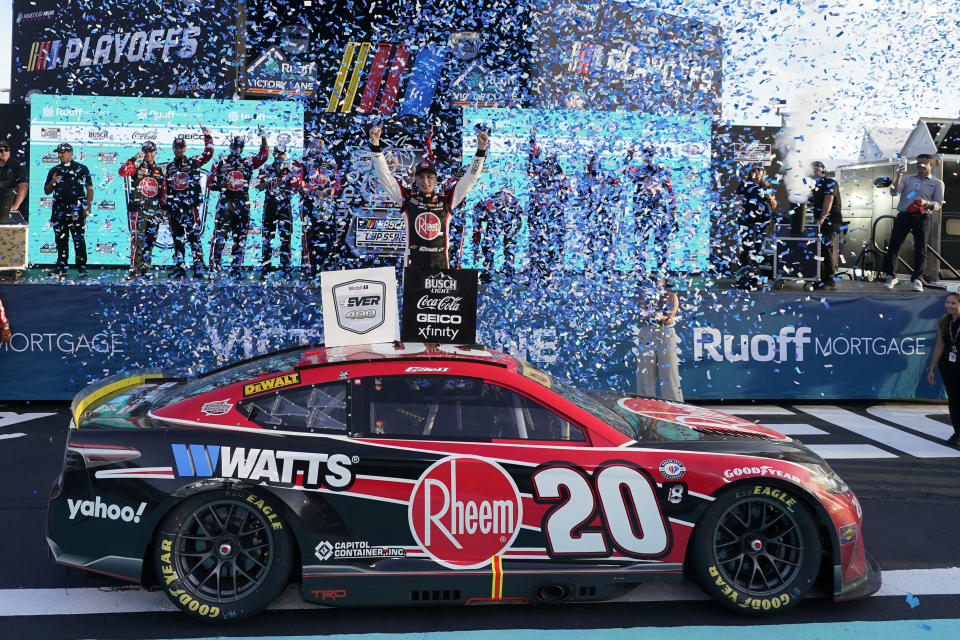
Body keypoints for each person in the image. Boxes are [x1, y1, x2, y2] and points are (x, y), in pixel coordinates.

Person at [369, 124, 487, 270]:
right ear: (415, 179)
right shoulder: (406, 198)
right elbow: (385, 176)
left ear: (436, 179)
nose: (425, 181)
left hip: (441, 272)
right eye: (421, 177)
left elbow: (471, 178)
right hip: (414, 272)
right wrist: (375, 144)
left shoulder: (447, 200)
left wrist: (481, 150)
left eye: (430, 177)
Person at [208, 132, 269, 277]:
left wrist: (264, 138)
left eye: (240, 147)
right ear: (230, 146)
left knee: (240, 238)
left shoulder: (247, 162)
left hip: (242, 203)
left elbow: (264, 156)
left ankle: (236, 269)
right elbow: (210, 183)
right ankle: (214, 267)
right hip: (225, 203)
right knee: (220, 237)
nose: (238, 149)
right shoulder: (220, 162)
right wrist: (221, 185)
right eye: (236, 146)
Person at [885, 154, 945, 292]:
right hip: (904, 215)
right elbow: (894, 192)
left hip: (922, 216)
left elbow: (938, 203)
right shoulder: (907, 178)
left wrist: (926, 203)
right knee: (894, 245)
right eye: (918, 163)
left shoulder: (937, 183)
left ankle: (917, 279)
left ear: (930, 165)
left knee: (921, 248)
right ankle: (891, 275)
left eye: (923, 164)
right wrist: (899, 176)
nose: (920, 166)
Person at [163, 127, 214, 278]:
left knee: (194, 238)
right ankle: (180, 267)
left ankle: (199, 267)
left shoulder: (193, 162)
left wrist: (207, 137)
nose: (179, 150)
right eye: (176, 147)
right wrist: (165, 207)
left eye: (181, 147)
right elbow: (166, 188)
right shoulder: (170, 167)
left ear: (185, 148)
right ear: (173, 149)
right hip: (174, 209)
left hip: (190, 208)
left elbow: (208, 154)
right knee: (177, 240)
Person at [292, 136, 340, 276]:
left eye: (322, 142)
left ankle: (329, 271)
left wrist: (333, 190)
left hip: (327, 204)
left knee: (329, 236)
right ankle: (311, 270)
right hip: (310, 204)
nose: (320, 144)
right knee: (310, 237)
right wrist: (314, 191)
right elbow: (297, 183)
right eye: (317, 141)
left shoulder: (329, 160)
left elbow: (337, 181)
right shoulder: (302, 161)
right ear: (310, 144)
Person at [43, 143, 93, 278]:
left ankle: (82, 268)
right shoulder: (54, 170)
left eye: (62, 152)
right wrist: (53, 181)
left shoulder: (82, 168)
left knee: (79, 239)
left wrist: (88, 207)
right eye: (58, 152)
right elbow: (47, 191)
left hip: (76, 209)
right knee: (60, 240)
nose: (60, 155)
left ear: (70, 153)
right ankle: (61, 268)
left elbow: (89, 188)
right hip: (59, 210)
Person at [119, 141, 166, 278]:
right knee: (137, 241)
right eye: (146, 151)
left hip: (154, 210)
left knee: (150, 241)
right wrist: (134, 158)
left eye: (151, 151)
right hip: (139, 210)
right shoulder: (137, 166)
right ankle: (134, 270)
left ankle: (146, 269)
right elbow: (123, 172)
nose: (148, 154)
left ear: (155, 152)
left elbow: (163, 191)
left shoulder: (159, 170)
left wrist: (163, 209)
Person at [626, 146, 676, 275]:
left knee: (661, 243)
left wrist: (673, 214)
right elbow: (623, 170)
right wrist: (629, 156)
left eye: (651, 153)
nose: (649, 156)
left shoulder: (662, 172)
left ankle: (663, 273)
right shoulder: (638, 172)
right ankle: (640, 274)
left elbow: (671, 194)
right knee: (641, 243)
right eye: (646, 153)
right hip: (641, 213)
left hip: (659, 212)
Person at [527, 128, 570, 275]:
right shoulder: (538, 173)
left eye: (551, 167)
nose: (547, 170)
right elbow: (531, 158)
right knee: (536, 242)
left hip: (554, 216)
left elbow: (567, 194)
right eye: (545, 166)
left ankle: (553, 271)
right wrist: (532, 138)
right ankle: (535, 271)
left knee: (555, 243)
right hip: (537, 215)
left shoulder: (560, 179)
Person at [635, 279, 683, 401]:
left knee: (669, 371)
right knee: (645, 372)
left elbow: (670, 319)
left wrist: (656, 316)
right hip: (647, 331)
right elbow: (642, 314)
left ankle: (675, 404)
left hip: (665, 332)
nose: (656, 280)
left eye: (659, 278)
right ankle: (645, 402)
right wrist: (654, 315)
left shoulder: (671, 294)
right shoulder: (644, 293)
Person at [734, 163, 777, 290]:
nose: (756, 171)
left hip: (763, 221)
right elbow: (738, 202)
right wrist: (746, 212)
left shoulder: (767, 185)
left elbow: (774, 205)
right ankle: (744, 275)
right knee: (746, 247)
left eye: (759, 169)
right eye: (754, 170)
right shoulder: (744, 184)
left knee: (759, 248)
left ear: (763, 172)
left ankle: (756, 275)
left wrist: (769, 197)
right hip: (747, 221)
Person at [256, 144, 297, 276]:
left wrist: (286, 184)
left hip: (285, 205)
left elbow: (296, 188)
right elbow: (257, 186)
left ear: (285, 154)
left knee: (286, 238)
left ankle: (286, 269)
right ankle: (265, 269)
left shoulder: (291, 169)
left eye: (281, 154)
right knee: (267, 237)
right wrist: (271, 183)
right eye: (277, 154)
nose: (279, 156)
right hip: (270, 205)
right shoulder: (266, 168)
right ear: (273, 154)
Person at [926, 292, 960, 447]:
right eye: (948, 302)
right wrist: (932, 368)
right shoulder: (943, 322)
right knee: (954, 401)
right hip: (948, 366)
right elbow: (939, 346)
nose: (949, 305)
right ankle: (957, 433)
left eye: (953, 303)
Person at [473, 188, 522, 280]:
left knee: (509, 245)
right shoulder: (481, 206)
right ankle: (489, 270)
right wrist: (476, 249)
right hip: (495, 221)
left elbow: (519, 218)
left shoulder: (510, 203)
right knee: (488, 244)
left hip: (510, 220)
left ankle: (509, 271)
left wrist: (516, 226)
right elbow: (476, 229)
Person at [809, 161, 842, 290]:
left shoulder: (830, 182)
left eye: (813, 170)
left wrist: (821, 218)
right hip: (820, 221)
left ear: (820, 170)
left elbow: (829, 200)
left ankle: (829, 280)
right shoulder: (815, 186)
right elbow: (809, 203)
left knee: (825, 246)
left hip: (831, 220)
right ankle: (821, 279)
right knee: (819, 248)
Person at [0, 140, 28, 224]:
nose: (4, 152)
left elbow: (24, 186)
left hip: (12, 211)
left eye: (6, 149)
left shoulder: (18, 165)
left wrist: (15, 206)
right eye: (0, 150)